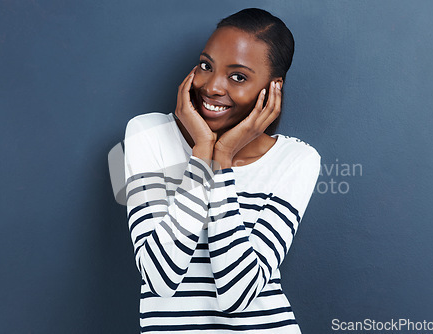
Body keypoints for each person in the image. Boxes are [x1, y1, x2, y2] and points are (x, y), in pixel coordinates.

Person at [124, 8, 320, 334]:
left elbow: (237, 294)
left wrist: (223, 157)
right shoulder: (145, 133)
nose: (212, 86)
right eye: (206, 66)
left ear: (273, 88)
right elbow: (159, 277)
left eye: (238, 77)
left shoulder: (298, 158)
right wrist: (203, 155)